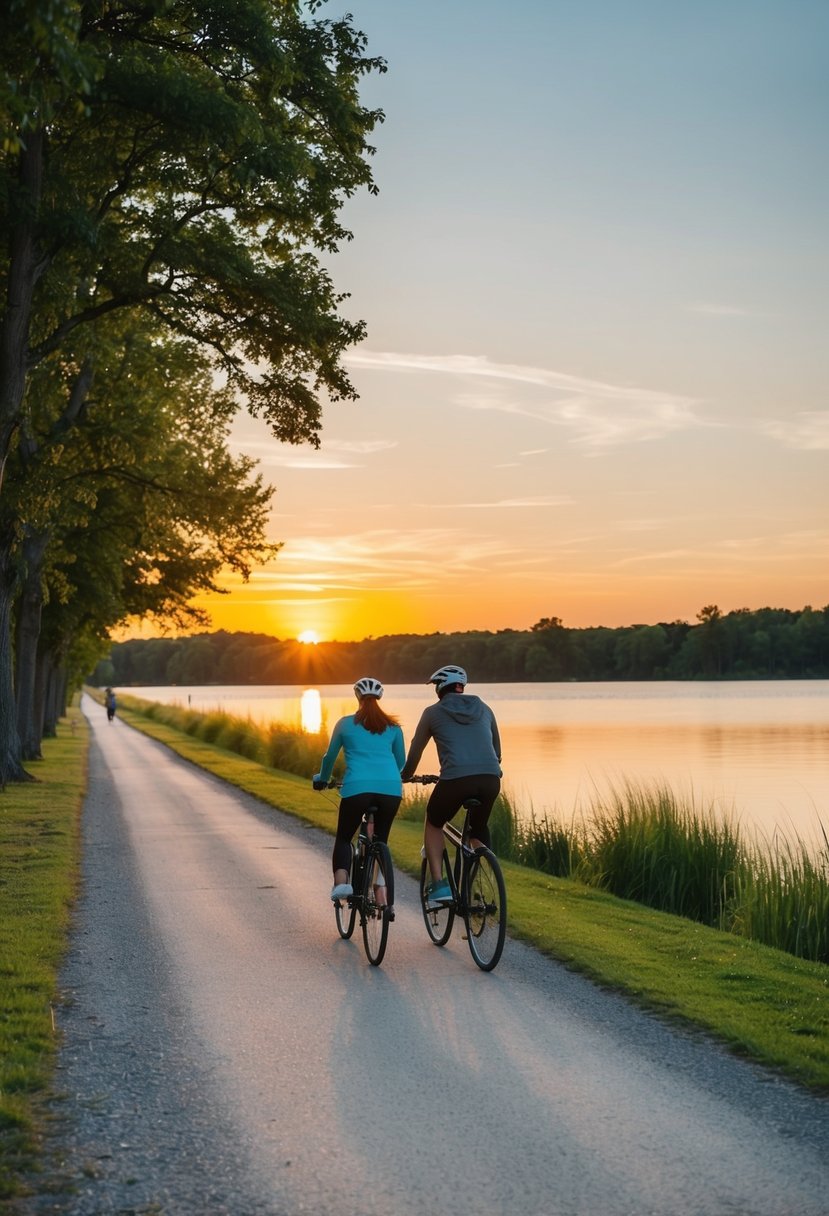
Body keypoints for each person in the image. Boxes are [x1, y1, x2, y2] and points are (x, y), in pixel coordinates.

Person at [400, 665, 501, 910]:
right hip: (490, 779)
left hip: (455, 779)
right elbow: (497, 753)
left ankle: (439, 886)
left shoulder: (432, 712)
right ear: (461, 686)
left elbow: (415, 751)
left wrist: (405, 776)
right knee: (477, 830)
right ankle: (478, 868)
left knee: (434, 821)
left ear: (439, 688)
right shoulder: (485, 708)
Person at [313, 677, 405, 904]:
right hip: (391, 790)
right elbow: (401, 763)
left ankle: (342, 883)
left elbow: (329, 757)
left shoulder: (344, 724)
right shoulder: (394, 727)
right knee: (381, 841)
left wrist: (322, 779)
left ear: (357, 696)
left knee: (344, 837)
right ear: (379, 697)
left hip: (357, 789)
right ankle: (381, 891)